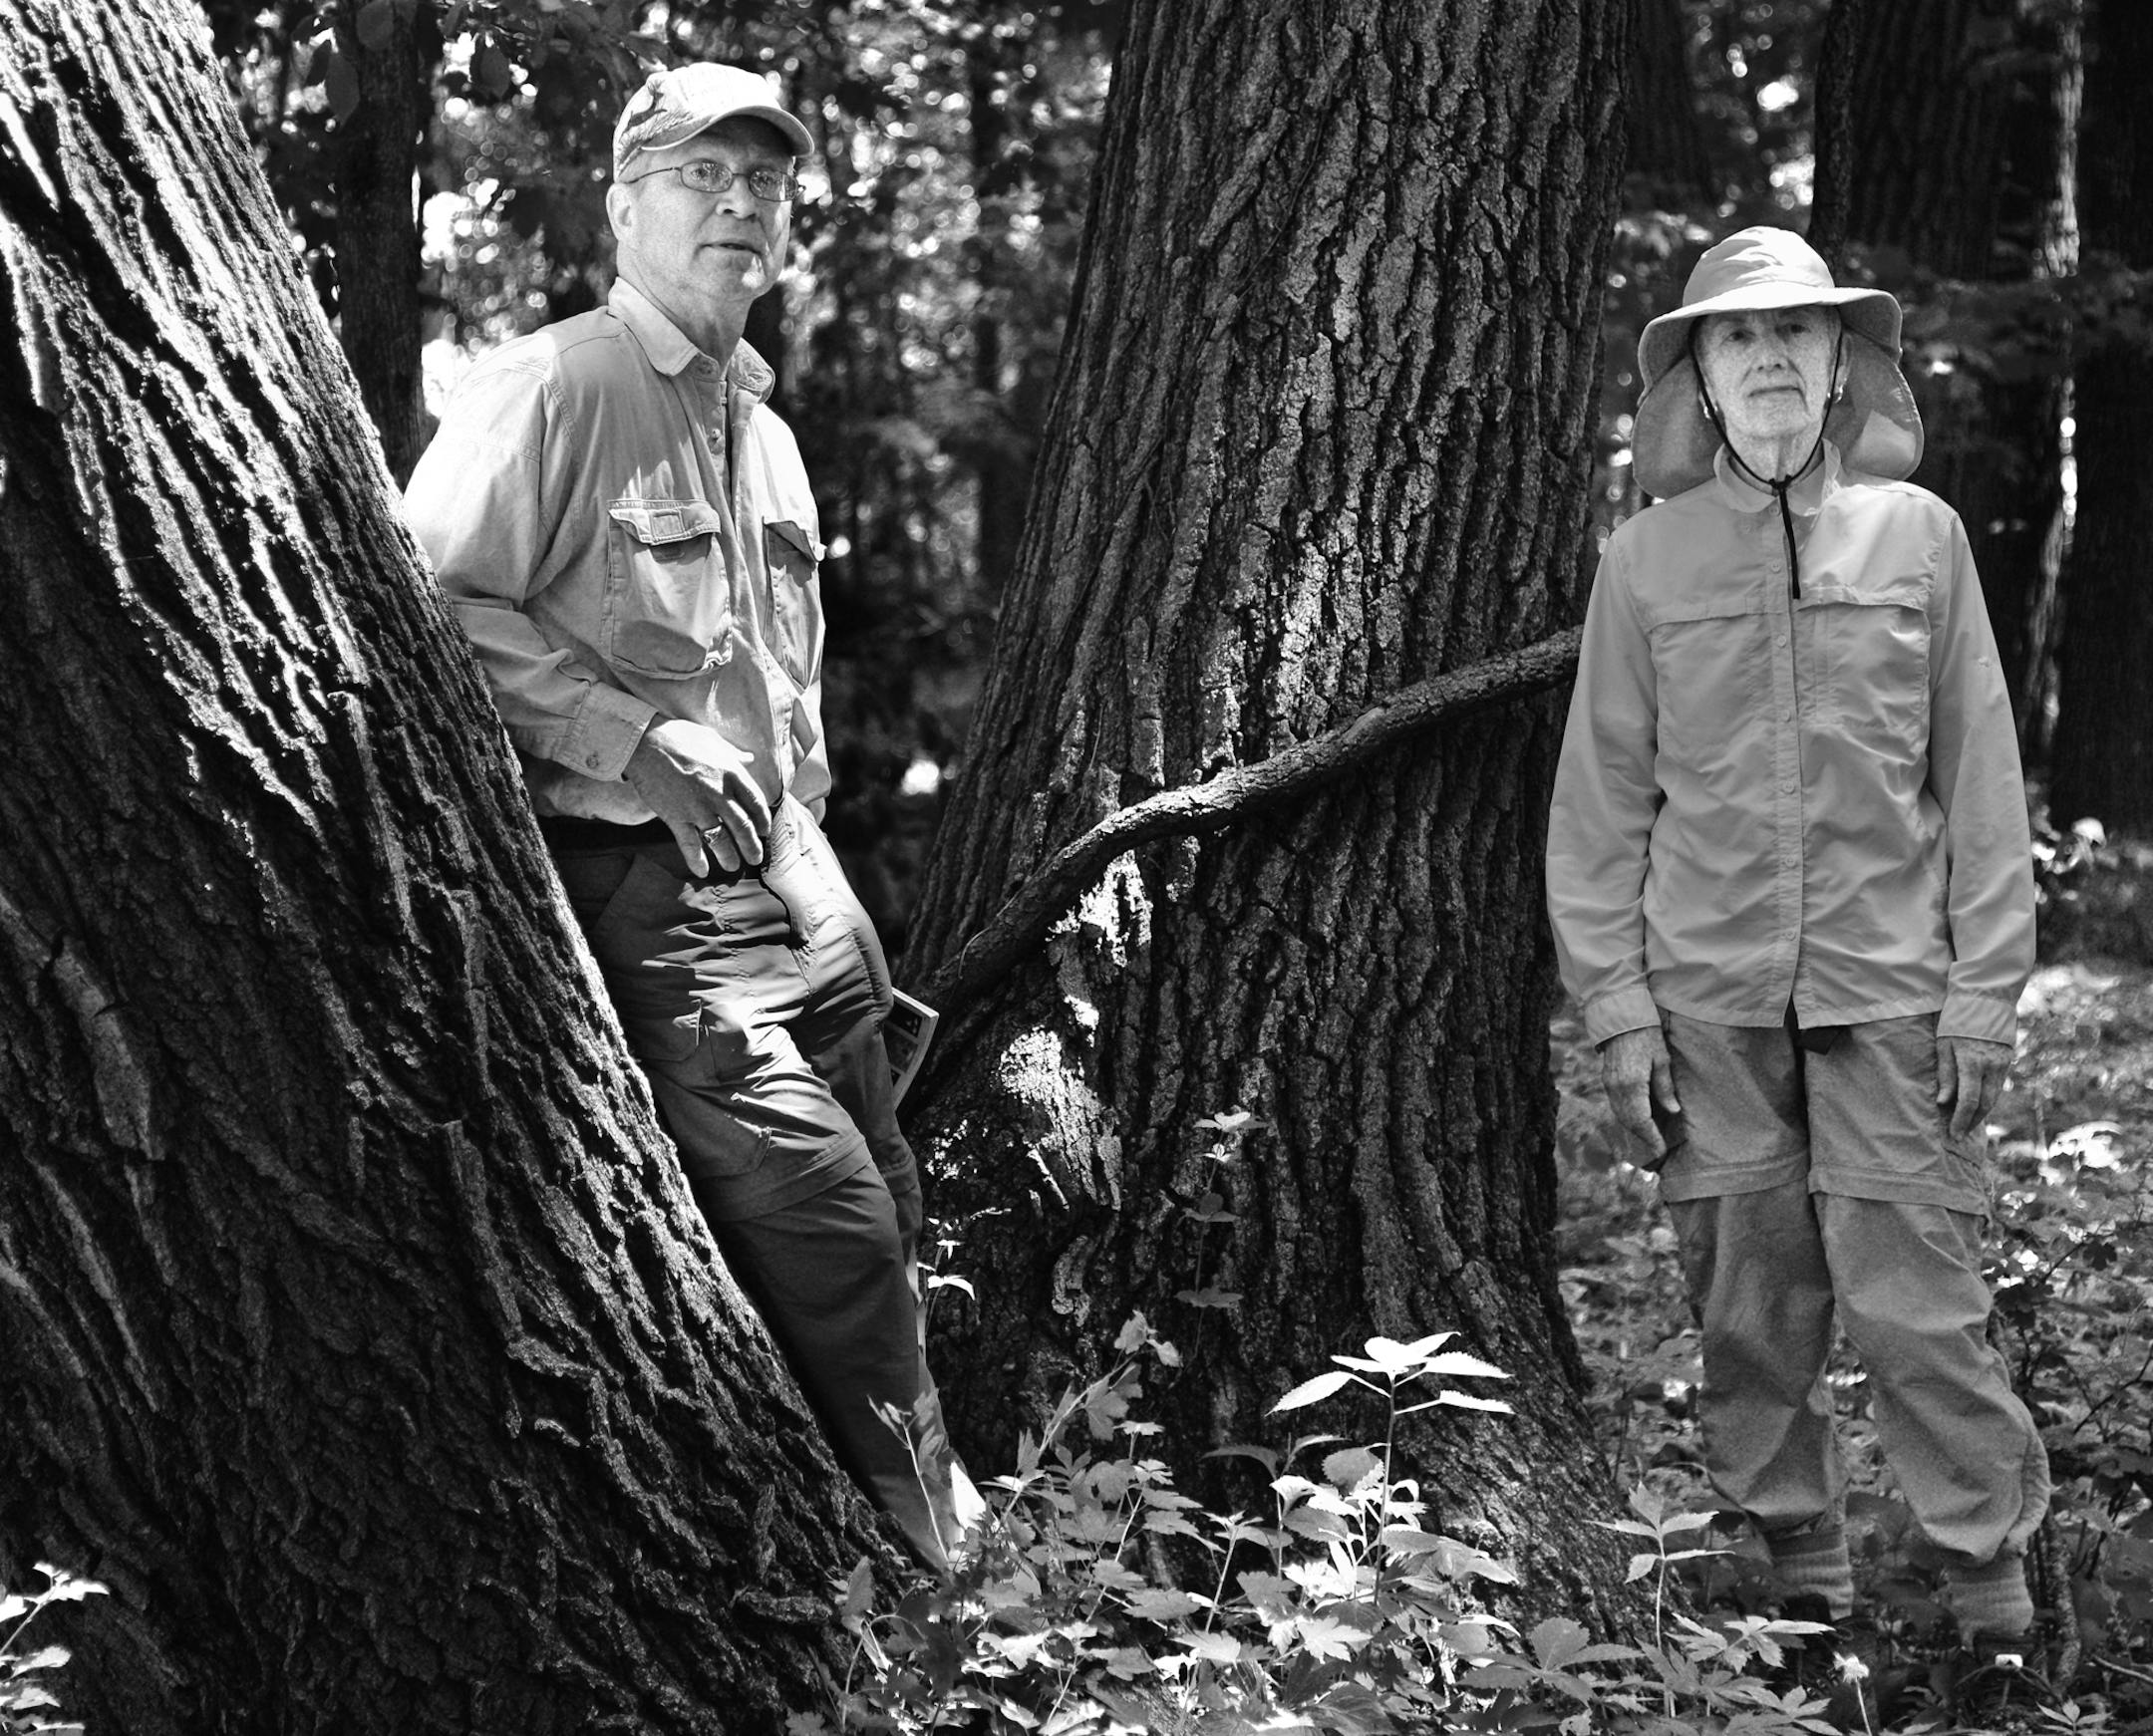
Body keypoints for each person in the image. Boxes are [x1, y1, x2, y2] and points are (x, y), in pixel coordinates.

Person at [403, 62, 973, 1572]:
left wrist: (818, 857)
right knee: (832, 1219)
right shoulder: (556, 383)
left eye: (766, 183)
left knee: (890, 1184)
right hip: (645, 883)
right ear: (624, 202)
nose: (740, 206)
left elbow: (775, 682)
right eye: (701, 176)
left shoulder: (763, 428)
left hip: (799, 876)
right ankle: (945, 1557)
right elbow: (426, 601)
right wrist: (628, 733)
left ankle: (879, 1495)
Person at [1546, 227, 2050, 1655]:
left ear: (1842, 365)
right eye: (1734, 338)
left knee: (1922, 1306)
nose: (1768, 358)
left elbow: (1982, 775)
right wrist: (1621, 1011)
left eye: (1797, 335)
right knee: (1749, 1308)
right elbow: (1598, 807)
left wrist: (1986, 995)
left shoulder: (1921, 538)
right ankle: (1804, 1591)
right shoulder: (1642, 562)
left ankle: (1994, 1606)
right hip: (1706, 1002)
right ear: (1697, 380)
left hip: (1897, 991)